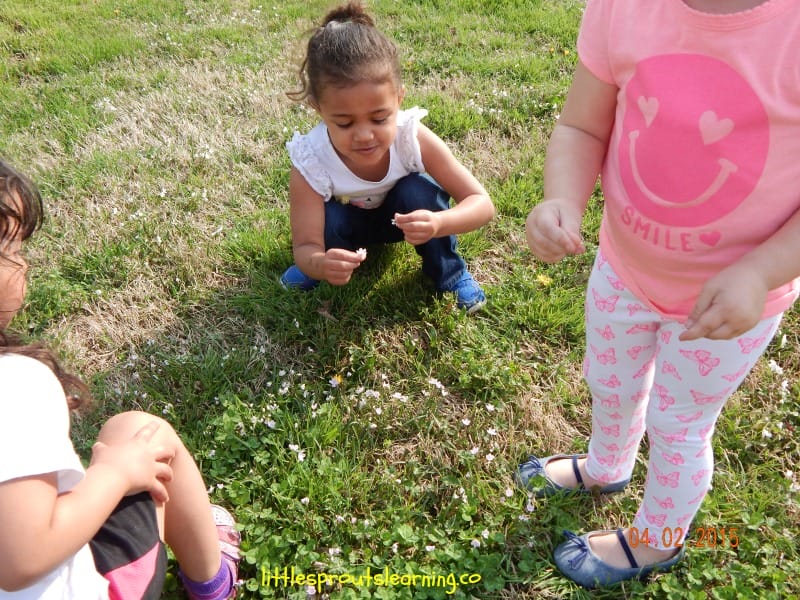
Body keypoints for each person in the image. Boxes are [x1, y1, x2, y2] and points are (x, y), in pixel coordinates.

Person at [518, 0, 800, 589]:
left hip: (727, 305)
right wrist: (561, 198)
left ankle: (656, 540)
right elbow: (582, 125)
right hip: (624, 268)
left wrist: (759, 272)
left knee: (679, 423)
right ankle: (607, 467)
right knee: (610, 383)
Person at [0, 158, 241, 599]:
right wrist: (112, 475)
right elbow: (21, 558)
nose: (23, 264)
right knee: (142, 435)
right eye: (11, 250)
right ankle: (214, 581)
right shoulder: (14, 386)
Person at [279, 1, 496, 313]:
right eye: (344, 123)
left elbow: (482, 204)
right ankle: (318, 270)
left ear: (399, 98)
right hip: (347, 229)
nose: (365, 135)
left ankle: (451, 274)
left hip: (405, 221)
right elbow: (304, 245)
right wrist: (318, 262)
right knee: (329, 218)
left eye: (380, 118)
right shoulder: (310, 158)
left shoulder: (411, 137)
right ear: (318, 109)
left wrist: (437, 223)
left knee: (418, 189)